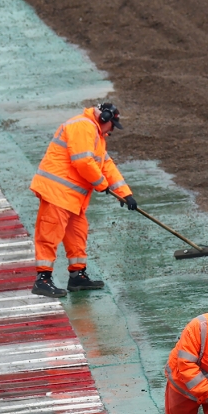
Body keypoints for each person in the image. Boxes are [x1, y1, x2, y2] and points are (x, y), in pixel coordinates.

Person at [28, 102, 136, 298]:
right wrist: (101, 183)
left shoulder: (96, 134)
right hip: (57, 191)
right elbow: (83, 161)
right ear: (104, 118)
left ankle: (77, 276)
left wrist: (125, 193)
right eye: (112, 125)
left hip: (72, 197)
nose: (112, 130)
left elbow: (106, 165)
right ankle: (42, 280)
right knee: (49, 234)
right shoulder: (82, 126)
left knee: (77, 234)